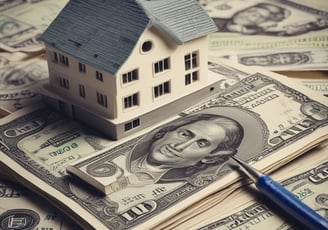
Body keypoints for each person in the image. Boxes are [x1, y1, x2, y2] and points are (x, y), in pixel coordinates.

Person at [121, 113, 244, 187]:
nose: (179, 146)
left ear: (211, 157)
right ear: (169, 130)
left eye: (201, 144)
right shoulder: (129, 156)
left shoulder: (175, 181)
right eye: (185, 134)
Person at [213, 3, 291, 35]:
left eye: (258, 16)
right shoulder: (216, 21)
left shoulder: (252, 33)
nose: (247, 14)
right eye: (250, 10)